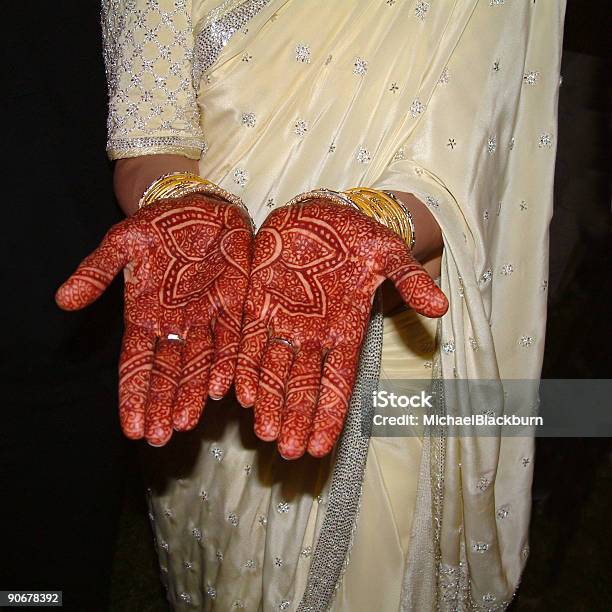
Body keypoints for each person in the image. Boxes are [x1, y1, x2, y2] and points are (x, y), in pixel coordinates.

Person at [57, 0, 566, 610]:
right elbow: (150, 140)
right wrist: (179, 206)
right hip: (209, 321)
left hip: (386, 325)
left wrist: (372, 224)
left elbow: (480, 148)